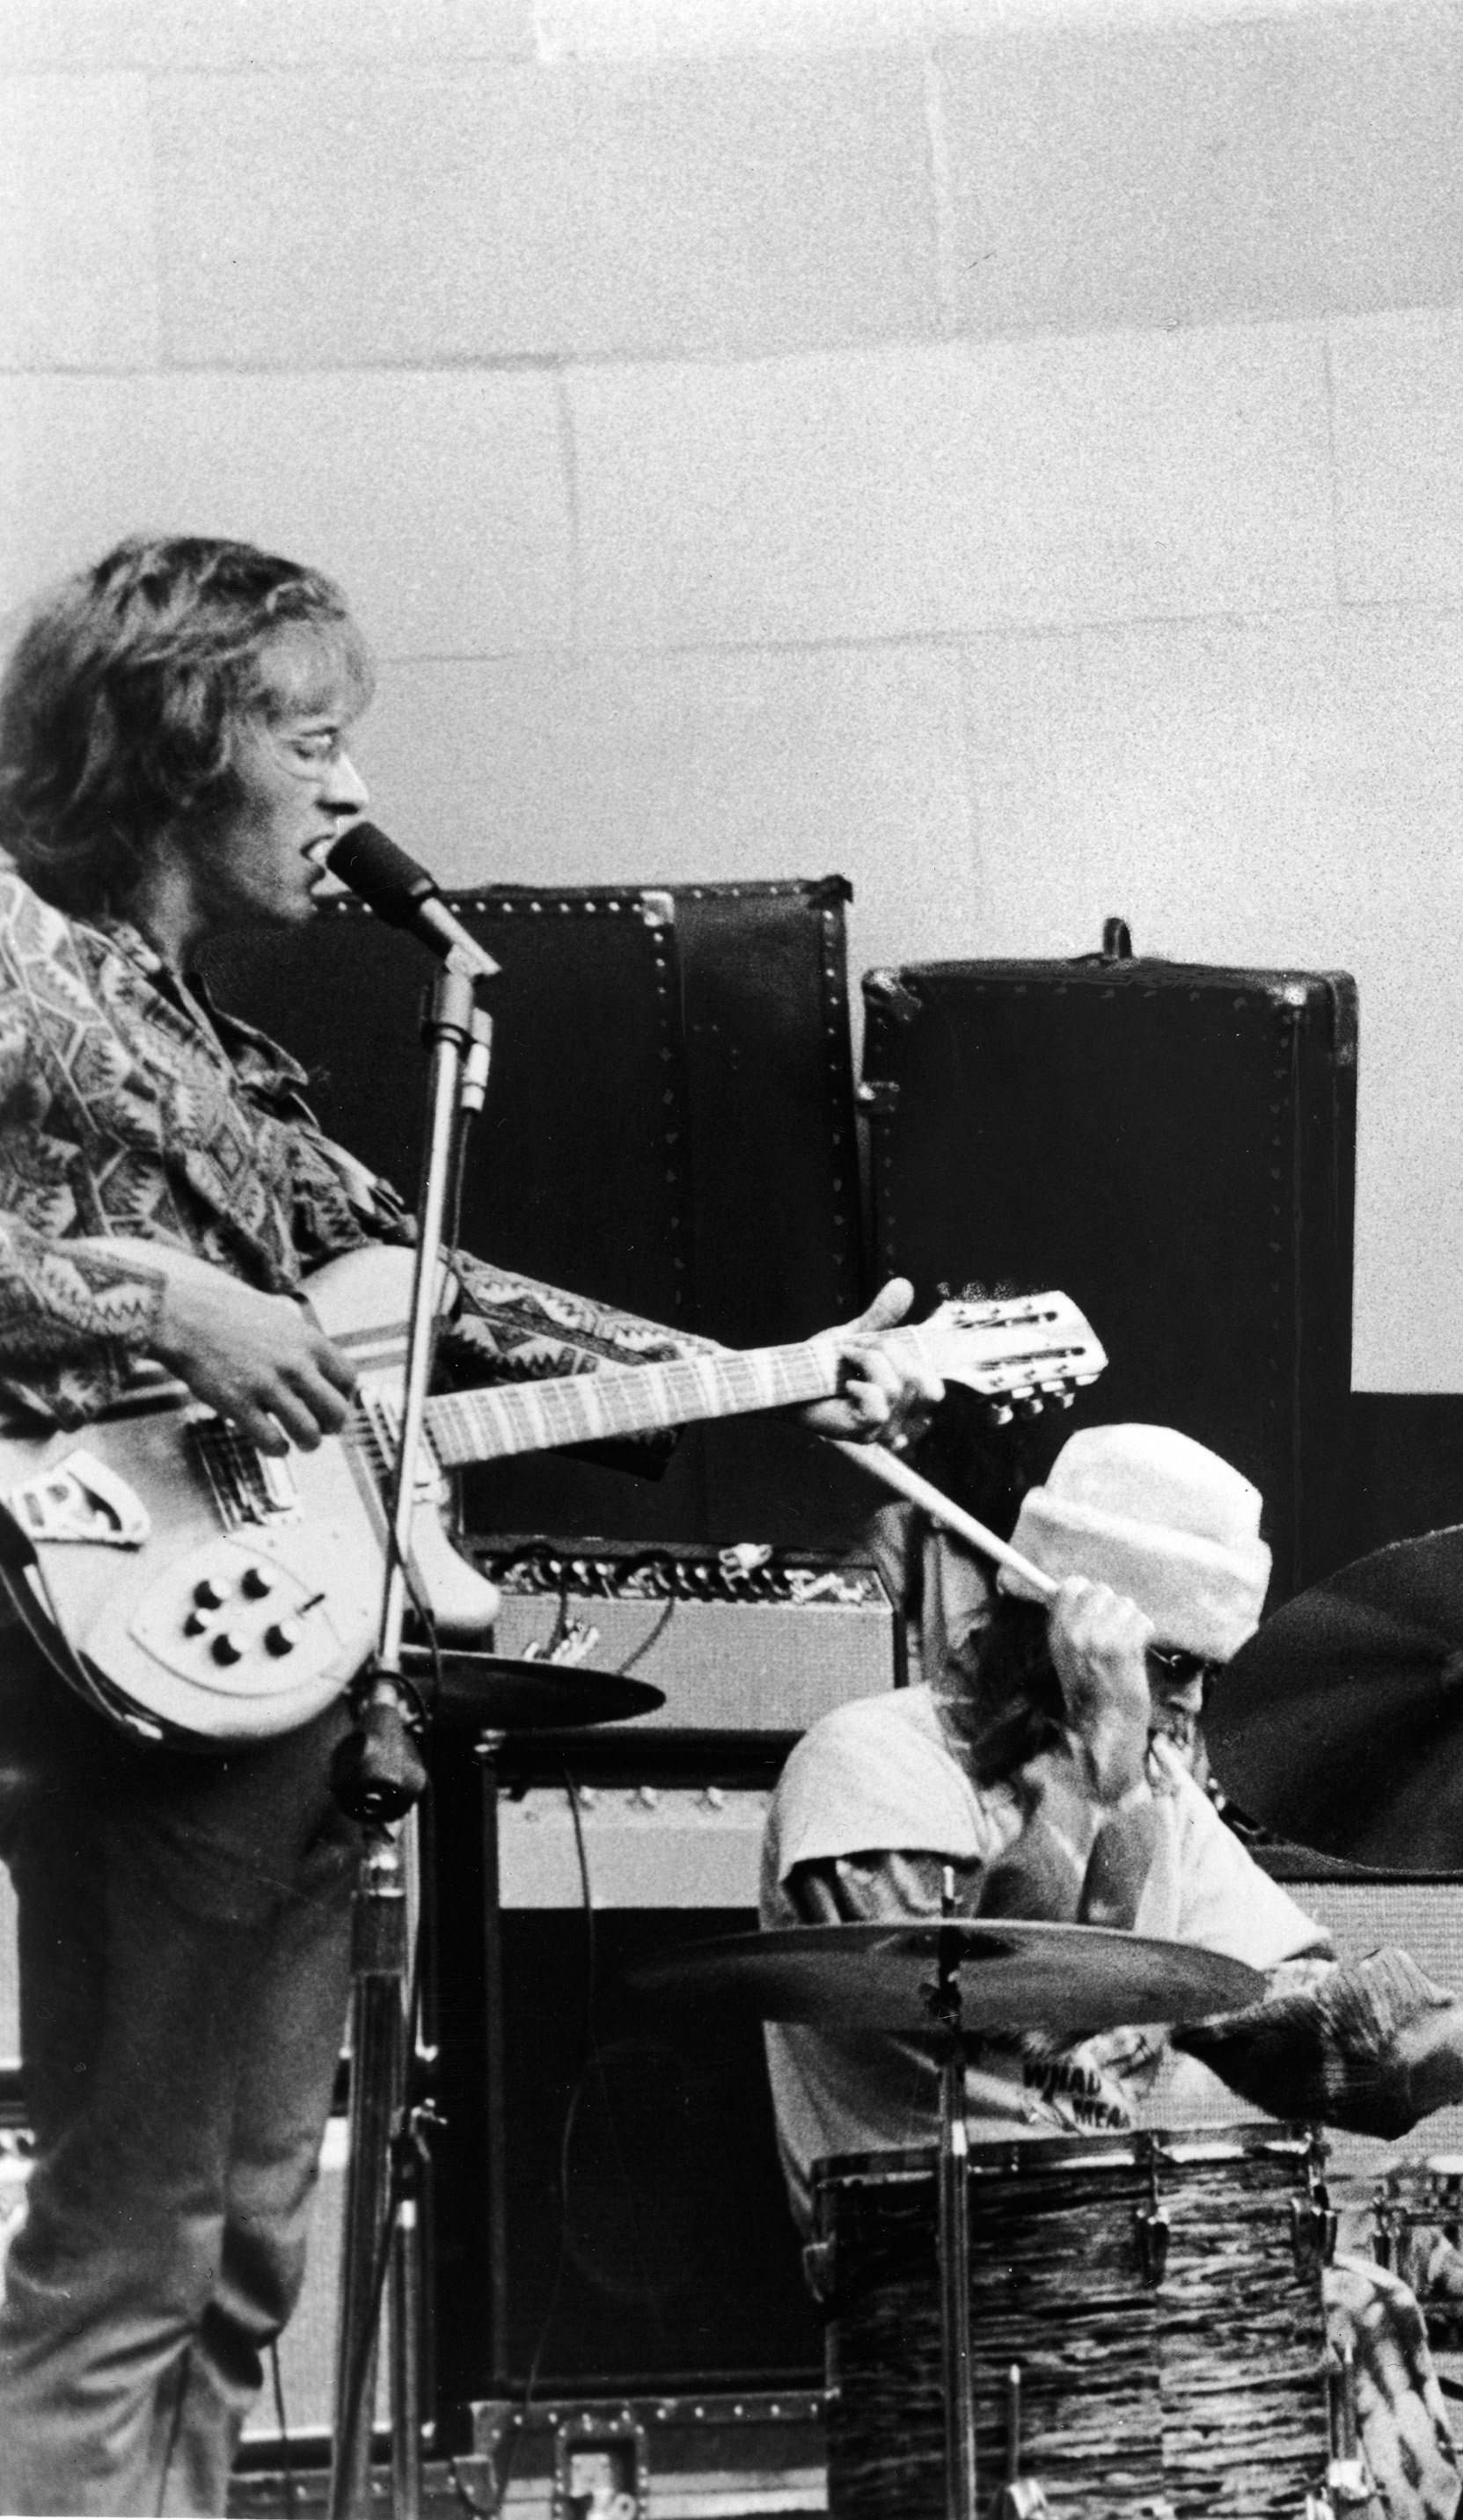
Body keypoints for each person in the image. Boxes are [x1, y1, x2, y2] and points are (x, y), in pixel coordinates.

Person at [0, 534, 940, 2515]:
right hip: (105, 1644)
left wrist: (773, 1365)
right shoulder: (4, 951)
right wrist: (161, 1295)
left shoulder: (207, 1041)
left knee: (244, 2249)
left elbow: (429, 1276)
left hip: (270, 1672)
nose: (354, 795)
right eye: (312, 739)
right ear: (174, 742)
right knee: (127, 2241)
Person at [760, 1423, 1463, 2202]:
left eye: (1210, 1671)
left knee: (1368, 2307)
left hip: (1115, 2261)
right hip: (933, 2282)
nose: (1191, 1702)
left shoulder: (1158, 1793)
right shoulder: (869, 1764)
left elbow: (1292, 2023)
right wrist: (1104, 1781)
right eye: (1173, 1663)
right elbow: (1027, 2003)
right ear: (1066, 1623)